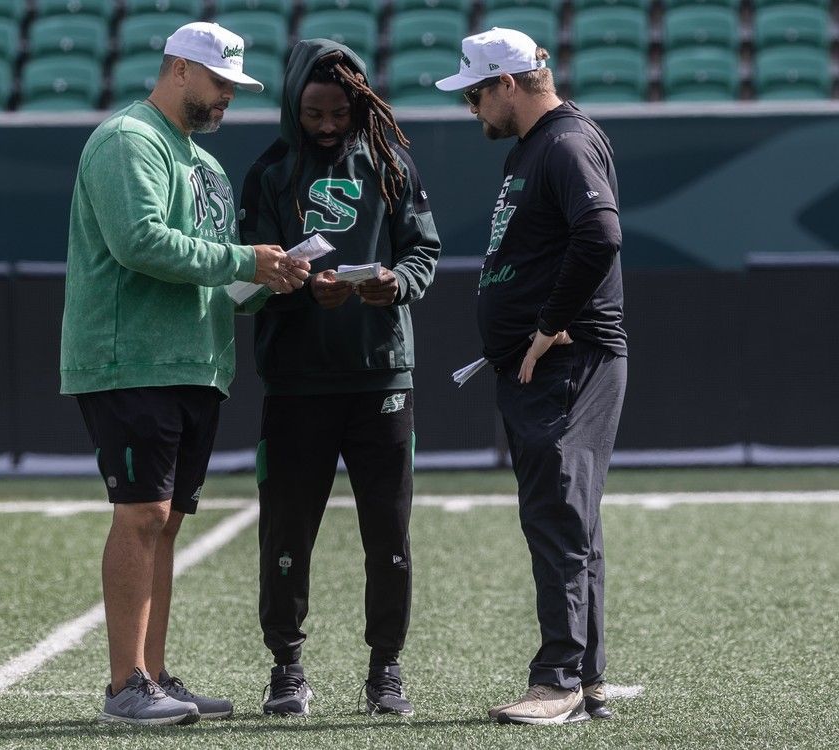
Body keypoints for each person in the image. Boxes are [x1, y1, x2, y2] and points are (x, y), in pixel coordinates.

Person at [59, 21, 309, 726]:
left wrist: (268, 280)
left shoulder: (207, 165)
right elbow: (138, 241)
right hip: (128, 357)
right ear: (177, 70)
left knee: (164, 523)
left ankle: (154, 675)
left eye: (233, 84)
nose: (228, 95)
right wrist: (245, 261)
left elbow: (217, 273)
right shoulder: (127, 140)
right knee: (141, 515)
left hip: (194, 361)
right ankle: (124, 686)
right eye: (219, 81)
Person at [239, 39, 440, 717]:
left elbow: (422, 249)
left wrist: (396, 283)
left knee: (389, 532)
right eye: (315, 112)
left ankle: (386, 669)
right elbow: (249, 279)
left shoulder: (390, 160)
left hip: (383, 375)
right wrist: (300, 290)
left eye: (340, 112)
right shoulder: (269, 172)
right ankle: (287, 667)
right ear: (293, 103)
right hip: (297, 381)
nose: (328, 124)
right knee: (287, 532)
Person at [435, 28, 627, 726]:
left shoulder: (565, 142)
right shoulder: (537, 146)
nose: (472, 110)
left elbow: (600, 233)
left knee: (557, 516)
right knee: (570, 519)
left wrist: (548, 324)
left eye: (475, 95)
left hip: (569, 364)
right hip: (550, 367)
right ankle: (590, 680)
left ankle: (559, 681)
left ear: (507, 83)